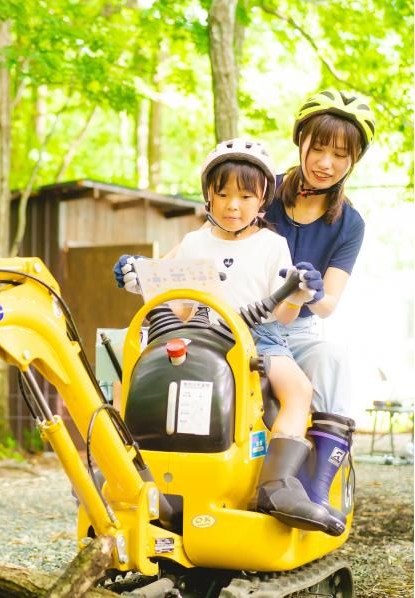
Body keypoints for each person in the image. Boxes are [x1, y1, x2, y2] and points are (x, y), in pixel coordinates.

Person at [115, 90, 373, 534]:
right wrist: (144, 270)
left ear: (352, 161)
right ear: (301, 142)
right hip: (220, 322)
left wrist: (300, 292)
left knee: (326, 367)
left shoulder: (348, 221)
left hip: (289, 323)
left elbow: (327, 304)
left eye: (340, 155)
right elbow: (191, 259)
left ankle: (308, 489)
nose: (326, 162)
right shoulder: (255, 185)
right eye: (319, 148)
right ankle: (131, 469)